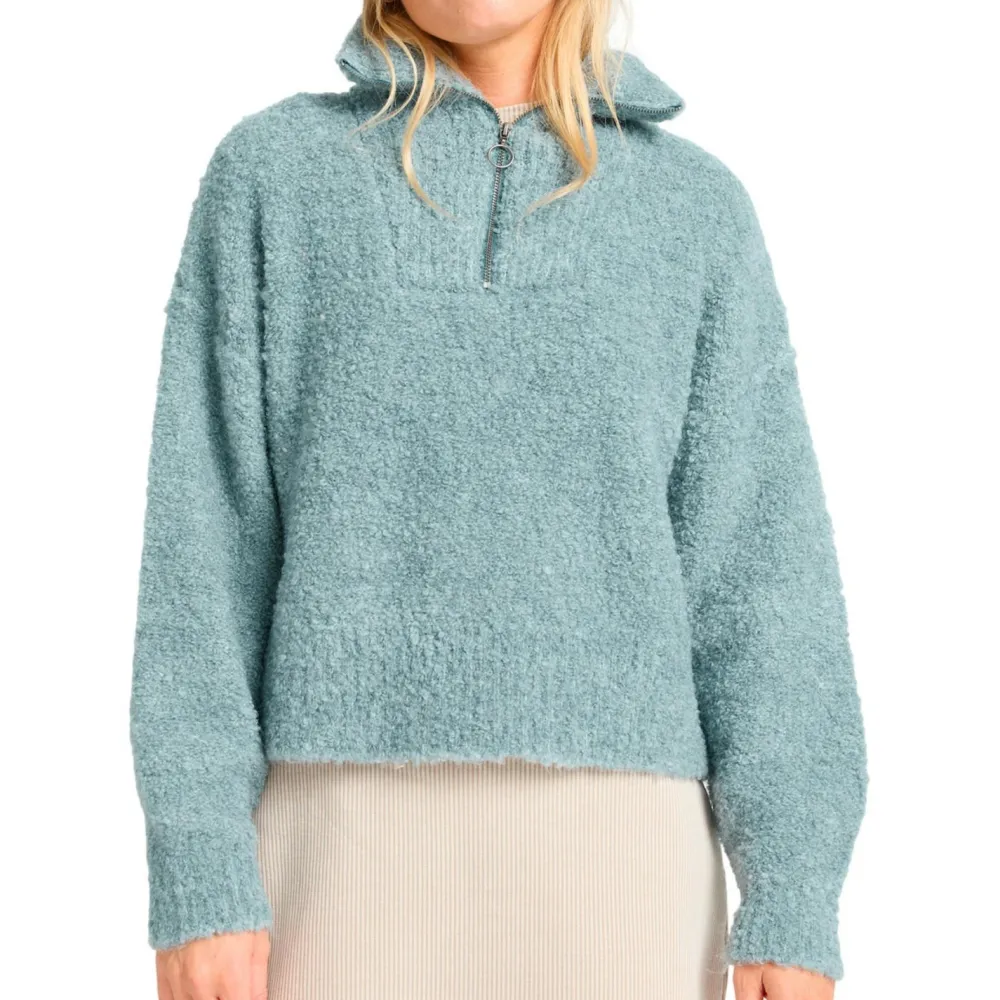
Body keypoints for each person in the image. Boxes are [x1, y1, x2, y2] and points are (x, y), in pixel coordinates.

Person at [129, 2, 869, 999]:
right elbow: (201, 553)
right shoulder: (275, 175)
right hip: (328, 861)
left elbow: (762, 577)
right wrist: (198, 870)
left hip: (625, 868)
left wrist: (793, 894)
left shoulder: (694, 209)